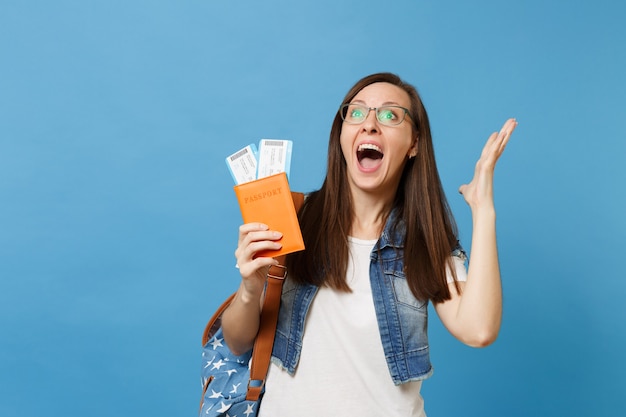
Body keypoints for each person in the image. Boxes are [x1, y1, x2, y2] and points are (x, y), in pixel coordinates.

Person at [222, 72, 517, 416]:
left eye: (391, 115)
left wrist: (483, 210)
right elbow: (237, 340)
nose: (370, 124)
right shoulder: (295, 219)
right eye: (357, 112)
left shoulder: (425, 243)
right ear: (343, 134)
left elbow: (478, 329)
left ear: (414, 144)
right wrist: (249, 288)